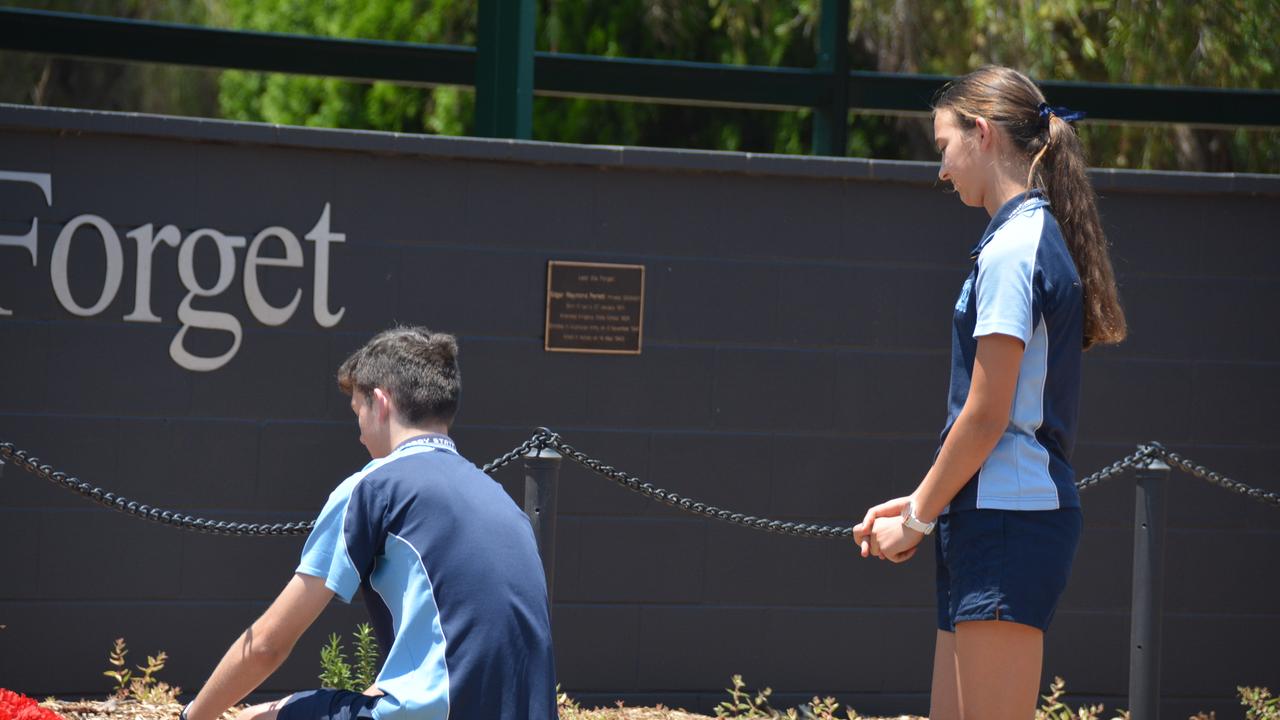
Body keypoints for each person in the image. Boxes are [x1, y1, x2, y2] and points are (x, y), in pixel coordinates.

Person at [851, 65, 1127, 720]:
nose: (941, 170)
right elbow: (993, 422)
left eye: (943, 147)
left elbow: (987, 414)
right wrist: (924, 503)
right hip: (989, 517)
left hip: (1009, 523)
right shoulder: (1016, 239)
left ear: (981, 134)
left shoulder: (1013, 248)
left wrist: (918, 517)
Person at [181, 326, 557, 720]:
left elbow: (267, 646)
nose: (359, 434)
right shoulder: (499, 498)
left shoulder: (373, 486)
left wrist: (192, 716)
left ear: (380, 403)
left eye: (357, 411)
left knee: (261, 717)